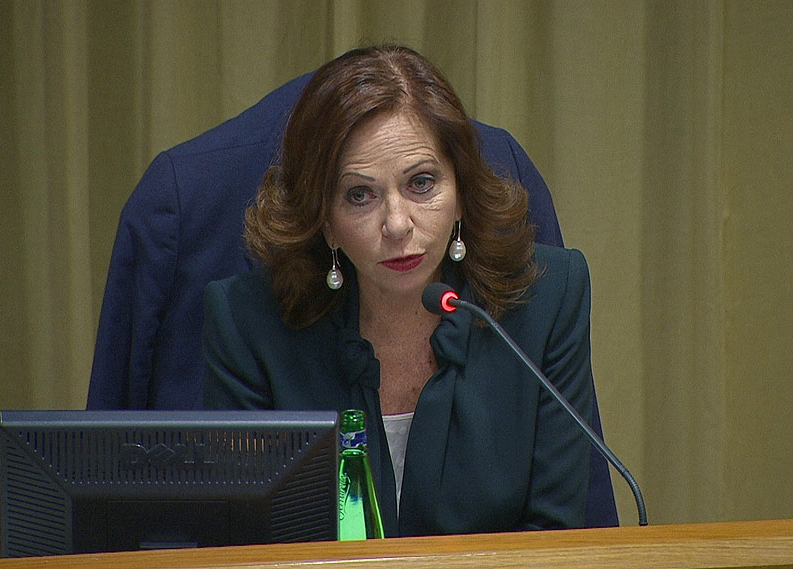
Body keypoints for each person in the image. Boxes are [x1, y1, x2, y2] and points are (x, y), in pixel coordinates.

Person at [202, 45, 594, 537]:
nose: (396, 224)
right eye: (359, 195)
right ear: (324, 221)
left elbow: (553, 535)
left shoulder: (547, 299)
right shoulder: (247, 324)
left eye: (422, 183)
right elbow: (240, 546)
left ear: (460, 193)